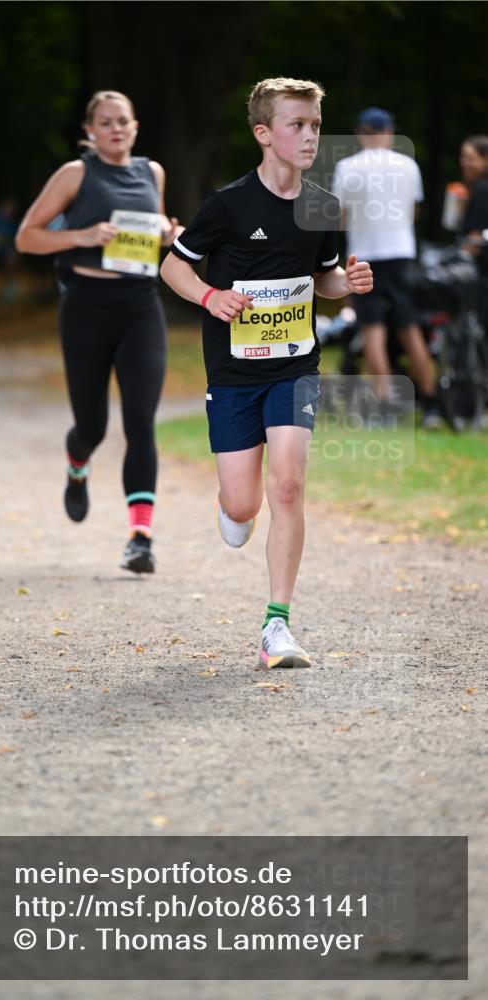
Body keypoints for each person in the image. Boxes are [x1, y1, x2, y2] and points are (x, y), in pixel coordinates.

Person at [160, 77, 373, 669]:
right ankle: (232, 505)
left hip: (295, 367)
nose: (309, 136)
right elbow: (173, 268)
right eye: (296, 125)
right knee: (245, 502)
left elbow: (323, 277)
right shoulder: (227, 205)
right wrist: (209, 298)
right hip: (233, 372)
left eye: (314, 126)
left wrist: (345, 285)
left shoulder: (323, 206)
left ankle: (276, 626)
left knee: (288, 485)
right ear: (264, 134)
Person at [15, 90, 180, 573]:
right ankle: (77, 465)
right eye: (104, 122)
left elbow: (151, 232)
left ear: (135, 126)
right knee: (93, 427)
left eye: (122, 121)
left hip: (140, 306)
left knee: (140, 424)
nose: (115, 128)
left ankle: (140, 538)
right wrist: (81, 236)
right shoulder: (75, 174)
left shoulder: (153, 172)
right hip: (86, 307)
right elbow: (26, 236)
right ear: (90, 131)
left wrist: (167, 234)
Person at [332, 107, 441, 428]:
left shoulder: (347, 168)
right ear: (389, 132)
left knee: (373, 333)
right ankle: (432, 403)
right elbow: (412, 212)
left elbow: (339, 217)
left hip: (365, 256)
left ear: (359, 134)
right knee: (410, 330)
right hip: (401, 256)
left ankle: (385, 409)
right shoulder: (407, 164)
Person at [459, 135, 488, 330]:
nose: (465, 163)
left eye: (471, 158)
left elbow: (474, 238)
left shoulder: (482, 190)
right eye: (463, 157)